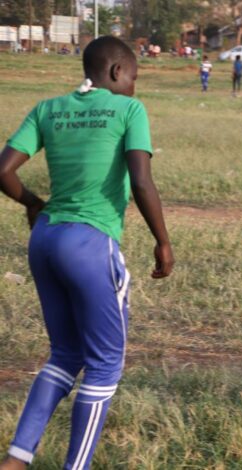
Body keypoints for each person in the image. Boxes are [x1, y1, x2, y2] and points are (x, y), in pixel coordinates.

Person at [0, 36, 173, 470]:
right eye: (134, 75)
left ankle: (17, 459)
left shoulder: (47, 108)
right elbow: (142, 181)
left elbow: (3, 170)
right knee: (104, 366)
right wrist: (163, 241)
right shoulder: (129, 109)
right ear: (117, 72)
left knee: (65, 354)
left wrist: (33, 203)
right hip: (89, 245)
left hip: (45, 240)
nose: (134, 84)